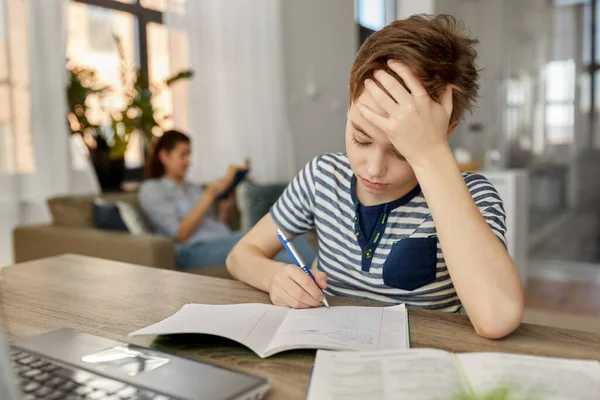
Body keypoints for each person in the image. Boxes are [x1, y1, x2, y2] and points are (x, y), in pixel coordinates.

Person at [226, 14, 524, 339]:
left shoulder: (472, 196)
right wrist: (273, 277)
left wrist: (431, 155)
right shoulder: (323, 176)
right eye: (361, 139)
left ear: (445, 133)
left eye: (402, 151)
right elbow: (240, 255)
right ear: (350, 104)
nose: (374, 167)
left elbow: (497, 317)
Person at [138, 130, 316, 269]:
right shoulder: (151, 189)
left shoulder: (192, 187)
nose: (188, 161)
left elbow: (213, 225)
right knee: (278, 251)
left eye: (189, 154)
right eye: (183, 155)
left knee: (290, 234)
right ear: (164, 156)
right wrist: (208, 196)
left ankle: (324, 282)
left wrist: (223, 209)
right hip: (192, 251)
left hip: (220, 240)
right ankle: (318, 289)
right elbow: (181, 235)